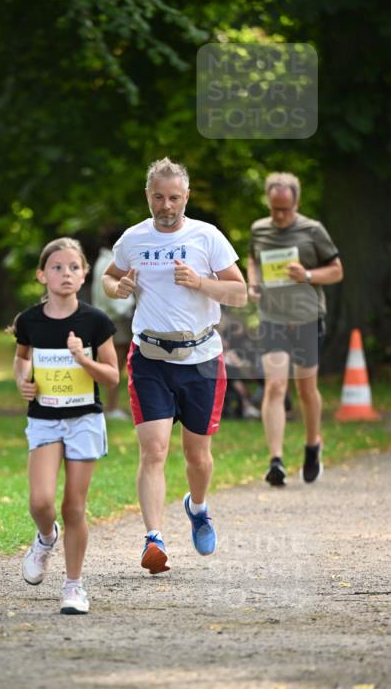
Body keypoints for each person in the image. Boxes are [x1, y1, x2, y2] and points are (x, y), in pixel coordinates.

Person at [102, 157, 247, 574]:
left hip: (201, 359)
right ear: (147, 196)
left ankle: (197, 508)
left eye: (174, 198)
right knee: (154, 452)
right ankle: (154, 540)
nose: (166, 206)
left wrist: (200, 283)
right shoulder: (133, 239)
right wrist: (119, 285)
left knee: (197, 455)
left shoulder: (208, 237)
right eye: (158, 197)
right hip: (149, 358)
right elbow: (111, 280)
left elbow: (240, 293)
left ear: (187, 197)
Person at [12, 237, 119, 614]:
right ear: (42, 275)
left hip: (84, 420)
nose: (66, 274)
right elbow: (22, 360)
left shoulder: (95, 321)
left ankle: (74, 586)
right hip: (44, 419)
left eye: (74, 267)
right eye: (57, 267)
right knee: (41, 502)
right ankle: (45, 538)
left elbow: (112, 377)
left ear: (85, 273)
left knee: (74, 506)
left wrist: (81, 359)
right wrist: (22, 381)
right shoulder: (29, 321)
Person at [248, 172, 343, 486]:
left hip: (306, 317)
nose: (279, 216)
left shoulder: (312, 230)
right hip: (272, 317)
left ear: (296, 203)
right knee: (275, 386)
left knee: (305, 389)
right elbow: (252, 259)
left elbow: (336, 271)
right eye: (274, 209)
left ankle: (312, 444)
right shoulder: (259, 229)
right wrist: (253, 283)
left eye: (285, 210)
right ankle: (275, 460)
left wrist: (307, 275)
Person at [91, 245, 135, 419]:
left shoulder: (102, 260)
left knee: (115, 365)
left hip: (109, 318)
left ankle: (111, 406)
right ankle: (111, 407)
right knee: (115, 366)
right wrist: (131, 303)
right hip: (116, 319)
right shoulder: (111, 262)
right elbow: (112, 297)